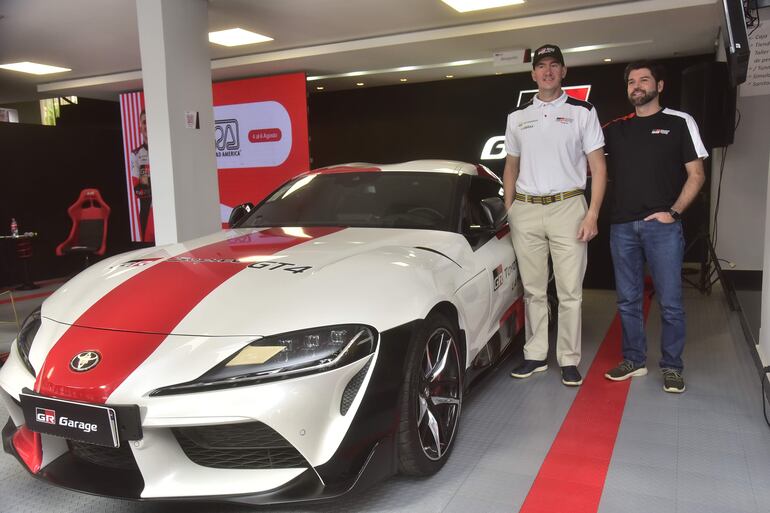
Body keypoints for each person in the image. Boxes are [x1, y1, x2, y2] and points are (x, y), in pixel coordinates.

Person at [503, 44, 607, 387]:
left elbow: (598, 167)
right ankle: (535, 355)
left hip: (569, 207)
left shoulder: (582, 111)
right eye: (541, 66)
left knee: (569, 292)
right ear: (533, 74)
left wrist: (592, 214)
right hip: (527, 210)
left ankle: (568, 359)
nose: (547, 71)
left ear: (563, 72)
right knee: (532, 290)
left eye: (554, 66)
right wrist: (511, 209)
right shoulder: (517, 117)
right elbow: (511, 167)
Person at [603, 60, 707, 393]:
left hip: (662, 228)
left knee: (671, 302)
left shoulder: (679, 122)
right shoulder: (615, 129)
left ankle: (672, 366)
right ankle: (634, 360)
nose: (637, 86)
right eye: (631, 81)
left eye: (644, 80)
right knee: (628, 301)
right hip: (622, 227)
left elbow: (696, 174)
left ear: (659, 86)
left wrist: (673, 212)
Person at [129, 109, 154, 242]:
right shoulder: (136, 154)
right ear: (140, 127)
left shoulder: (167, 150)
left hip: (166, 209)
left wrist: (148, 185)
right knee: (148, 250)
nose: (147, 125)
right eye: (144, 122)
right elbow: (138, 190)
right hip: (146, 211)